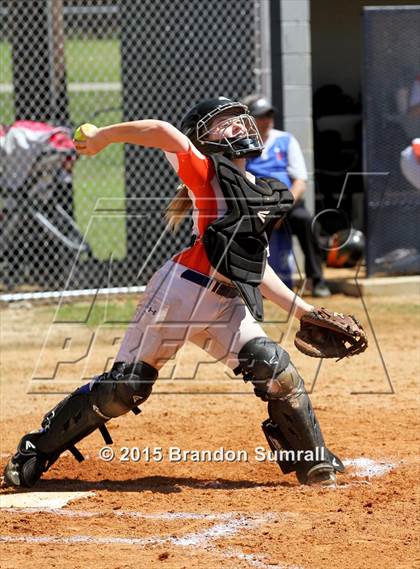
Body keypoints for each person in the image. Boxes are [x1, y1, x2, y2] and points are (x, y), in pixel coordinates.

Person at [3, 96, 345, 489]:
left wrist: (303, 312)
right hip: (180, 295)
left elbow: (255, 268)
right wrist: (102, 138)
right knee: (127, 387)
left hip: (226, 304)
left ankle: (314, 464)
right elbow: (164, 132)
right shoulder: (204, 172)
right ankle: (36, 450)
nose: (239, 127)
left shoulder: (260, 193)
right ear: (203, 138)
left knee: (276, 370)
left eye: (239, 120)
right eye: (224, 124)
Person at [242, 94, 331, 298]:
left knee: (306, 220)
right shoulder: (243, 144)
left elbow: (300, 181)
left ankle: (317, 280)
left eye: (269, 115)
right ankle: (250, 283)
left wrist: (281, 209)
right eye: (260, 116)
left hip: (287, 205)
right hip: (257, 206)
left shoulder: (285, 140)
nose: (266, 120)